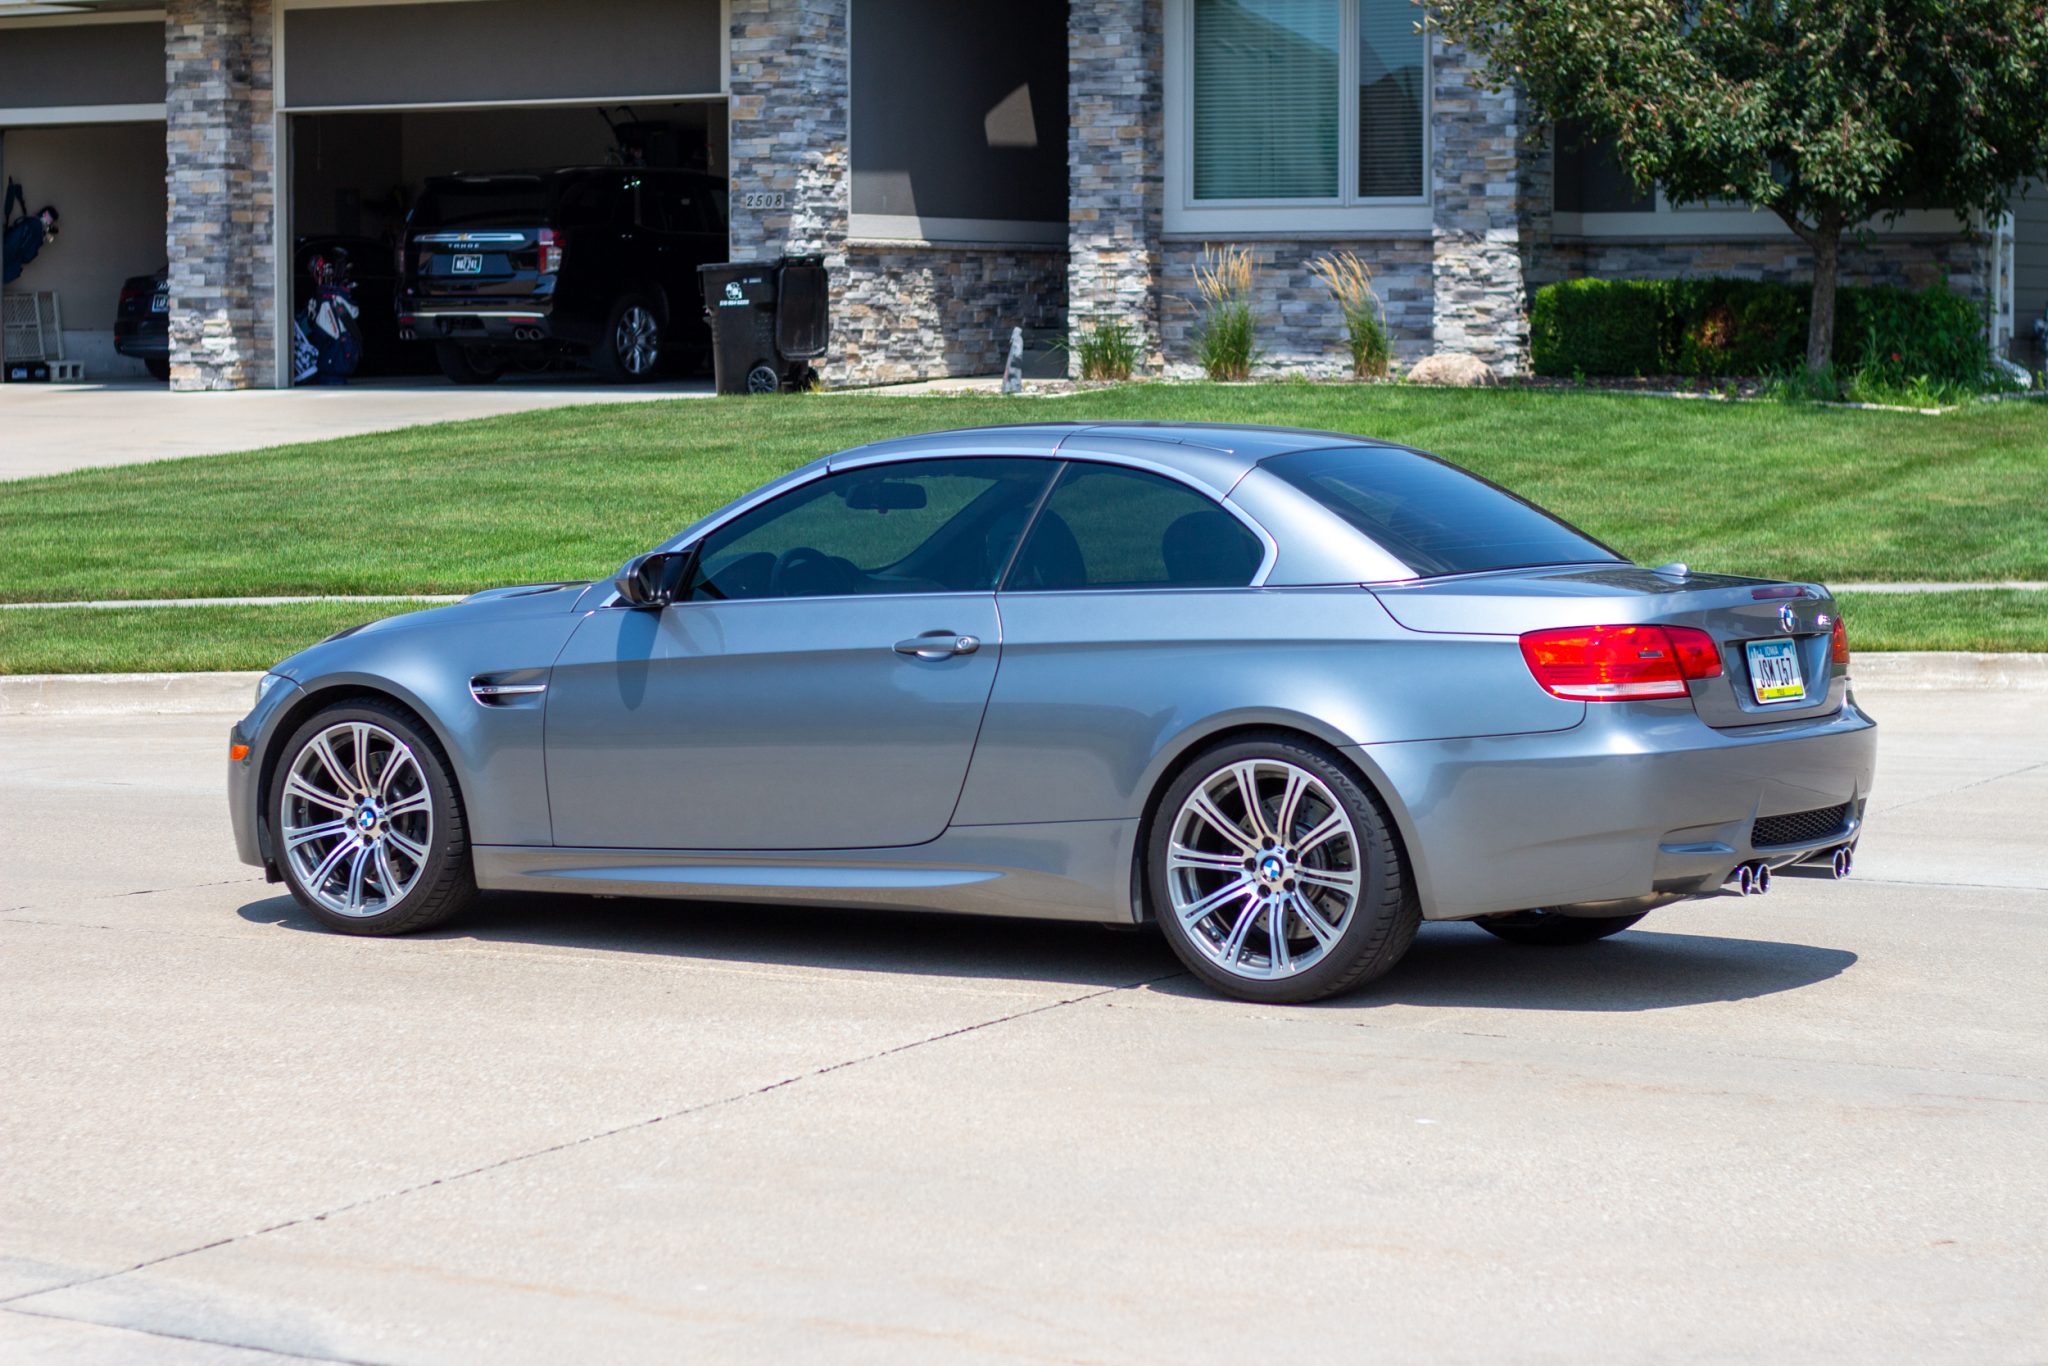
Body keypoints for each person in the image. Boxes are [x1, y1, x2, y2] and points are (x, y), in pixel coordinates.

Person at [2, 203, 59, 285]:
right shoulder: (35, 227)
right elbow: (28, 257)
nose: (49, 223)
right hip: (9, 259)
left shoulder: (32, 224)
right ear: (45, 215)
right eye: (50, 220)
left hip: (9, 256)